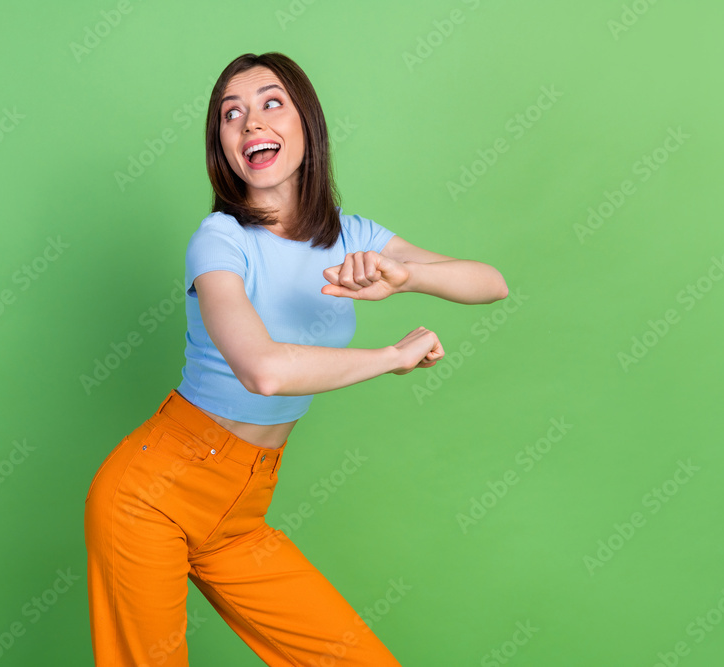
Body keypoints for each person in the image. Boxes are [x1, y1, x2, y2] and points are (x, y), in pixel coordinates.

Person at [84, 52, 509, 666]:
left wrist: (404, 276)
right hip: (153, 494)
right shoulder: (221, 241)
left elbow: (490, 282)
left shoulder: (353, 235)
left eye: (270, 102)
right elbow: (265, 370)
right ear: (224, 148)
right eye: (232, 115)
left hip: (240, 510)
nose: (251, 121)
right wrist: (391, 356)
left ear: (306, 124)